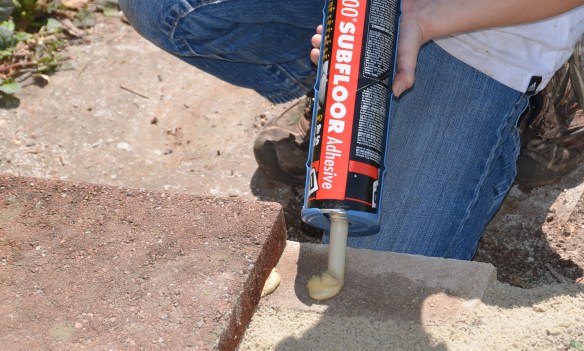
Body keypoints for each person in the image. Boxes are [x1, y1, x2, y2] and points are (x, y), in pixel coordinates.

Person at [118, 0, 584, 260]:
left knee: (385, 272)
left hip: (493, 21)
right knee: (166, 7)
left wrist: (423, 19)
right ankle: (351, 95)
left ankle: (542, 96)